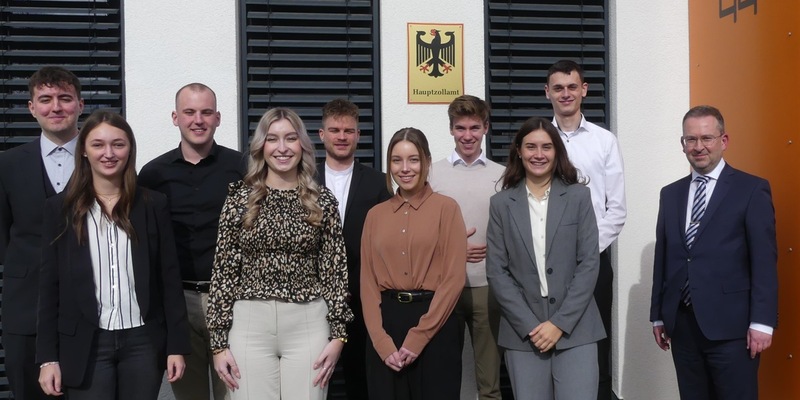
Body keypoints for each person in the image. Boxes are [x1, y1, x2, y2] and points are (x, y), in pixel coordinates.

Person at [36, 110, 190, 399]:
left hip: (143, 342)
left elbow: (169, 279)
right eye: (98, 145)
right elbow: (49, 287)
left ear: (129, 149)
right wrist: (47, 358)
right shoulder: (60, 209)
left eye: (118, 144)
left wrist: (176, 346)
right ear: (84, 150)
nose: (108, 153)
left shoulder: (153, 204)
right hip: (86, 342)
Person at [207, 107, 353, 399]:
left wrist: (339, 335)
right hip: (249, 323)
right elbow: (224, 271)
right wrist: (218, 343)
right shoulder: (239, 199)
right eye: (272, 139)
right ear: (261, 146)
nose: (282, 148)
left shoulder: (322, 200)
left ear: (303, 145)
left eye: (290, 138)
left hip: (308, 323)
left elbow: (335, 272)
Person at [649, 105, 777, 400]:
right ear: (683, 144)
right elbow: (664, 257)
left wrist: (762, 322)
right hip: (682, 326)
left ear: (724, 140)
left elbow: (764, 262)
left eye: (706, 138)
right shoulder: (671, 194)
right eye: (691, 139)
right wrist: (658, 315)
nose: (698, 147)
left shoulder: (751, 189)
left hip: (733, 329)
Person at [139, 83, 246, 400]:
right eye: (189, 112)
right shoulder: (153, 174)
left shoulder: (243, 168)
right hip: (178, 303)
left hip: (232, 300)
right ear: (175, 117)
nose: (198, 120)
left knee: (236, 393)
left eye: (206, 112)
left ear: (218, 118)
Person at [486, 117, 605, 400]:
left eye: (546, 147)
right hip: (523, 332)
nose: (538, 154)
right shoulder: (501, 204)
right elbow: (497, 271)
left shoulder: (579, 197)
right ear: (519, 151)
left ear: (556, 152)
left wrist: (559, 323)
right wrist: (530, 325)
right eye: (531, 147)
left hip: (576, 329)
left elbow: (589, 264)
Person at [361, 127, 467, 399]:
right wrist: (380, 341)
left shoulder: (447, 209)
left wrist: (419, 336)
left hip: (436, 325)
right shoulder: (374, 216)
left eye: (414, 160)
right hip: (386, 325)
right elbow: (368, 284)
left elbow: (454, 280)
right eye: (397, 160)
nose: (405, 168)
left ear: (427, 162)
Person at [0, 66, 84, 400]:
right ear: (31, 108)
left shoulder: (103, 159)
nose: (56, 107)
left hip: (90, 311)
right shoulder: (7, 164)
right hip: (26, 309)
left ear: (80, 104)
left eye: (65, 98)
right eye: (45, 99)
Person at [544, 59, 626, 400]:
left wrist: (586, 252)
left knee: (595, 346)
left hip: (592, 263)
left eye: (572, 87)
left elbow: (616, 210)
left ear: (584, 90)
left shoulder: (604, 141)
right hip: (545, 263)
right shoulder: (538, 140)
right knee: (547, 343)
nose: (566, 94)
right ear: (547, 92)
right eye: (558, 88)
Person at [314, 98, 391, 400]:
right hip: (313, 301)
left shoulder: (379, 184)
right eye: (335, 130)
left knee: (362, 383)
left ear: (358, 135)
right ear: (322, 134)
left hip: (363, 302)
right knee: (314, 380)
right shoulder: (303, 181)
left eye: (348, 131)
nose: (342, 137)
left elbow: (387, 242)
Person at [429, 95, 504, 400]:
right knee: (443, 377)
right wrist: (455, 247)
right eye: (461, 128)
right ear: (451, 130)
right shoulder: (431, 174)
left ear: (486, 127)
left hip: (488, 287)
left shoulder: (503, 175)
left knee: (490, 383)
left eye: (474, 127)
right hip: (444, 285)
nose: (468, 135)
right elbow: (420, 231)